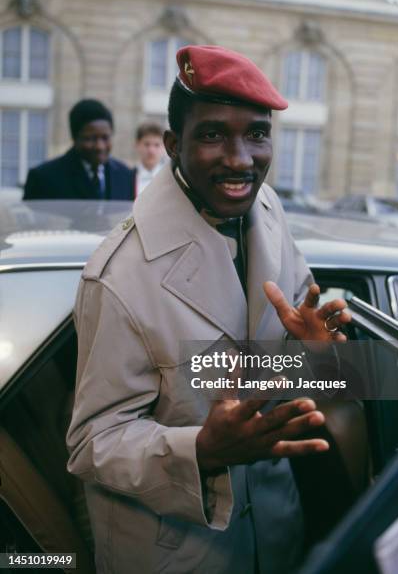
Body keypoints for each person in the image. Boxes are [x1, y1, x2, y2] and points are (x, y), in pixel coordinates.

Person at [66, 45, 351, 573]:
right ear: (174, 144)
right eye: (213, 134)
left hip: (275, 529)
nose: (241, 158)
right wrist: (201, 448)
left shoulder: (267, 208)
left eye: (257, 134)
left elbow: (278, 358)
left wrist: (311, 351)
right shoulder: (118, 277)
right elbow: (92, 443)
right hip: (179, 552)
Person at [23, 99, 135, 200]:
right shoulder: (43, 179)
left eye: (105, 138)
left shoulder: (126, 176)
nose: (100, 146)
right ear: (74, 138)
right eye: (90, 139)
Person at [134, 122, 166, 195]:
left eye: (157, 145)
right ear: (137, 145)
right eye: (147, 144)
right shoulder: (126, 177)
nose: (151, 150)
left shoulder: (171, 180)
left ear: (164, 147)